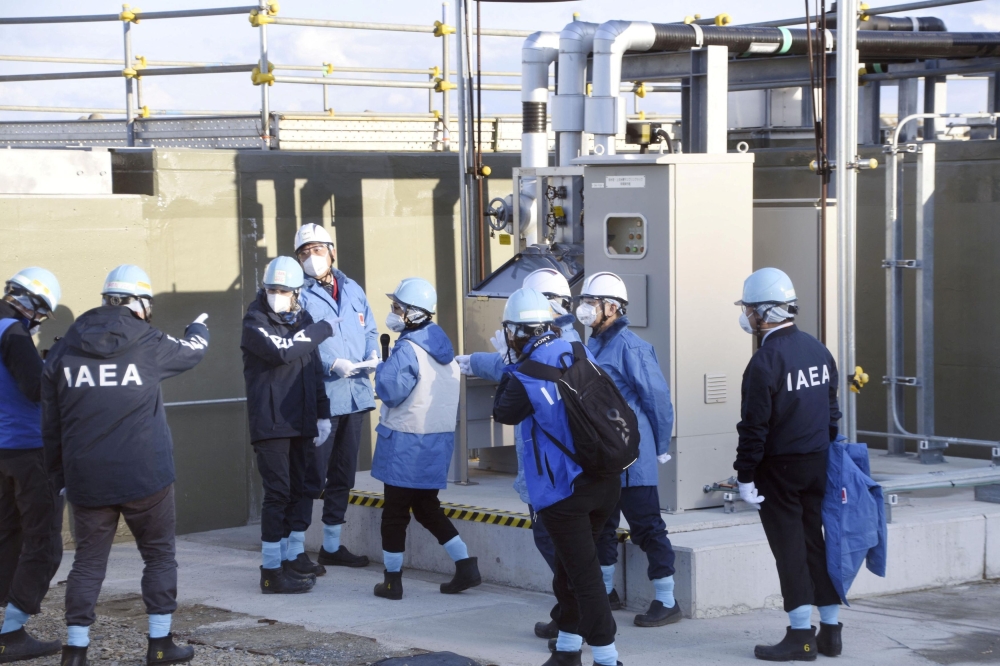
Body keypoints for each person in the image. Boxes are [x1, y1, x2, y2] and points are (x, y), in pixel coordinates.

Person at [41, 265, 208, 666]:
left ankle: (76, 650)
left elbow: (50, 423)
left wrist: (60, 477)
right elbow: (194, 352)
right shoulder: (148, 341)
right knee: (159, 556)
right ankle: (160, 645)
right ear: (139, 303)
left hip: (87, 479)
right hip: (145, 476)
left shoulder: (64, 348)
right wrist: (199, 330)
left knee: (87, 563)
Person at [493, 288, 621, 666]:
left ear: (516, 331)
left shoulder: (527, 372)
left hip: (564, 493)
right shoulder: (579, 350)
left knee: (584, 578)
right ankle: (567, 651)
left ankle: (607, 657)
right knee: (569, 570)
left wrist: (507, 362)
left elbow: (503, 412)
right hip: (605, 480)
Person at [454, 267, 578, 640]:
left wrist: (508, 361)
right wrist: (476, 361)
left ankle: (573, 617)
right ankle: (571, 613)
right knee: (563, 548)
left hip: (552, 473)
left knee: (557, 546)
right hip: (559, 471)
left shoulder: (550, 352)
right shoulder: (567, 344)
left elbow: (512, 399)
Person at [732, 267, 842, 661]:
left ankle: (801, 637)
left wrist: (745, 476)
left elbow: (754, 428)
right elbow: (832, 413)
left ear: (764, 312)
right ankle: (830, 630)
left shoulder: (764, 362)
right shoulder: (818, 350)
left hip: (778, 470)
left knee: (790, 551)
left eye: (748, 309)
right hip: (817, 462)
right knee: (816, 544)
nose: (746, 316)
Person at [575, 272, 679, 628]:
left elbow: (658, 400)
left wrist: (661, 445)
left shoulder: (631, 347)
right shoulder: (593, 347)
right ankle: (605, 593)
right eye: (583, 301)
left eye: (591, 302)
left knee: (646, 526)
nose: (584, 309)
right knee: (602, 525)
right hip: (604, 455)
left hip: (633, 455)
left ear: (613, 308)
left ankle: (666, 599)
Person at [370, 278, 479, 600]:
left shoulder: (407, 348)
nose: (393, 312)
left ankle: (392, 581)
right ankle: (465, 565)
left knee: (394, 512)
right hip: (436, 442)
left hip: (406, 442)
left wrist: (382, 369)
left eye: (397, 308)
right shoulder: (441, 343)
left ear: (411, 314)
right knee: (426, 507)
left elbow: (390, 393)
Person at [242, 256, 339, 594]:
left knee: (300, 489)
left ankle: (286, 560)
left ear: (297, 293)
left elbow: (313, 372)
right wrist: (322, 329)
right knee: (278, 492)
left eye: (283, 290)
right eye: (272, 289)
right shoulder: (254, 321)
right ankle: (270, 571)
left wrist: (323, 413)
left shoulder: (303, 320)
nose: (277, 295)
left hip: (301, 421)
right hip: (271, 422)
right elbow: (282, 351)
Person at [293, 223, 379, 570]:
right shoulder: (298, 293)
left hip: (356, 394)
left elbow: (369, 327)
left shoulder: (353, 288)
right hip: (323, 397)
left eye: (317, 250)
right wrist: (332, 362)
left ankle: (331, 545)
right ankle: (295, 548)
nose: (311, 258)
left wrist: (372, 354)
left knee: (343, 474)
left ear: (332, 251)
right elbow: (298, 340)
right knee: (311, 475)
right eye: (304, 253)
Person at [0, 268, 63, 662]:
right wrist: (52, 364)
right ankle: (13, 632)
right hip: (28, 449)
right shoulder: (13, 333)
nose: (38, 321)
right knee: (43, 541)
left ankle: (4, 619)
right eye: (40, 314)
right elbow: (36, 388)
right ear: (32, 303)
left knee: (8, 533)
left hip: (2, 452)